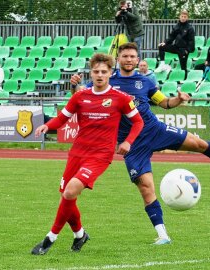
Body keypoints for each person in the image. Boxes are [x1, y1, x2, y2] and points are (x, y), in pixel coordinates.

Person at [71, 42, 210, 245]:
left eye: (132, 57)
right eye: (125, 56)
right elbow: (82, 97)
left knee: (197, 142)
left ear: (137, 60)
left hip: (155, 130)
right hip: (132, 144)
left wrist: (178, 100)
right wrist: (75, 86)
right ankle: (163, 235)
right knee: (146, 188)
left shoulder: (145, 82)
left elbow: (164, 103)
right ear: (118, 59)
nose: (128, 60)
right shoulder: (107, 80)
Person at [31, 53, 144, 255]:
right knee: (67, 196)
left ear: (111, 73)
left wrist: (128, 142)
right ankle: (80, 234)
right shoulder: (80, 96)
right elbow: (62, 118)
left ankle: (50, 239)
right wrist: (47, 126)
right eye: (96, 71)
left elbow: (138, 122)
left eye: (104, 71)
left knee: (70, 191)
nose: (100, 75)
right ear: (90, 73)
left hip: (100, 155)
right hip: (78, 152)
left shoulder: (121, 99)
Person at [154, 10, 195, 77]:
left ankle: (184, 81)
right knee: (161, 47)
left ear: (187, 18)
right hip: (176, 47)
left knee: (183, 68)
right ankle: (162, 65)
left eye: (185, 17)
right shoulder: (176, 26)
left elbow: (191, 41)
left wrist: (187, 50)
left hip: (183, 50)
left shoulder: (190, 28)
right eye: (182, 16)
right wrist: (165, 43)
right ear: (179, 17)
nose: (183, 18)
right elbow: (171, 37)